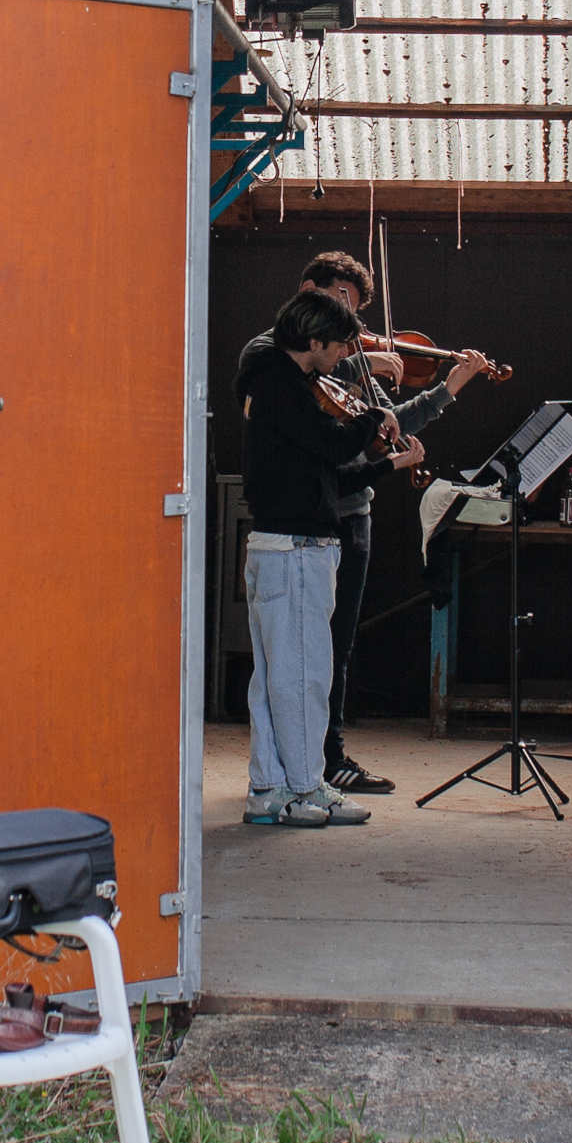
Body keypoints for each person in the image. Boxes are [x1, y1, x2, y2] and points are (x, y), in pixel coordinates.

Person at [236, 252, 493, 794]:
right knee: (297, 667)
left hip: (341, 515)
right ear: (309, 297)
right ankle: (306, 778)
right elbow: (327, 441)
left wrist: (444, 391)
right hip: (298, 529)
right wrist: (358, 369)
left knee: (328, 653)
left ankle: (310, 769)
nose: (351, 339)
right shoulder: (271, 360)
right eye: (339, 316)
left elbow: (374, 432)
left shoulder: (326, 369)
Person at [234, 289, 425, 827]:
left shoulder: (290, 388)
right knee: (302, 677)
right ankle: (303, 788)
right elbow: (336, 445)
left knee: (277, 679)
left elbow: (330, 473)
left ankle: (269, 789)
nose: (345, 354)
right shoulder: (280, 384)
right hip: (294, 550)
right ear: (313, 340)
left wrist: (388, 465)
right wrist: (376, 417)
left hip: (288, 546)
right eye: (340, 344)